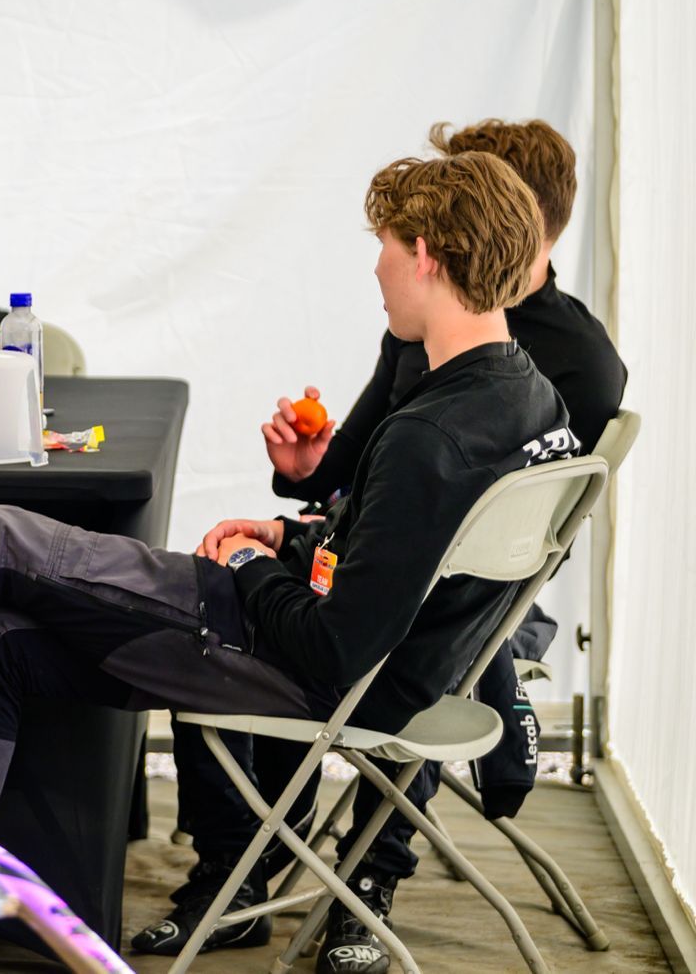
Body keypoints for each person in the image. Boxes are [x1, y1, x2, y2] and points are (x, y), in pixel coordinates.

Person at [0, 151, 579, 956]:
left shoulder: (430, 433)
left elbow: (336, 648)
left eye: (383, 248)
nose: (375, 270)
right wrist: (289, 531)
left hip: (299, 665)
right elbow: (409, 554)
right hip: (385, 664)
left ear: (426, 255)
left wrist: (253, 565)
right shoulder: (526, 396)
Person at [163, 118, 627, 972]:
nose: (424, 241)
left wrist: (284, 563)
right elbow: (362, 467)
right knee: (293, 594)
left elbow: (495, 529)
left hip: (474, 606)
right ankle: (254, 868)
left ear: (526, 221)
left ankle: (362, 877)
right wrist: (305, 487)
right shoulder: (427, 330)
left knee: (253, 617)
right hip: (393, 563)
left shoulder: (572, 367)